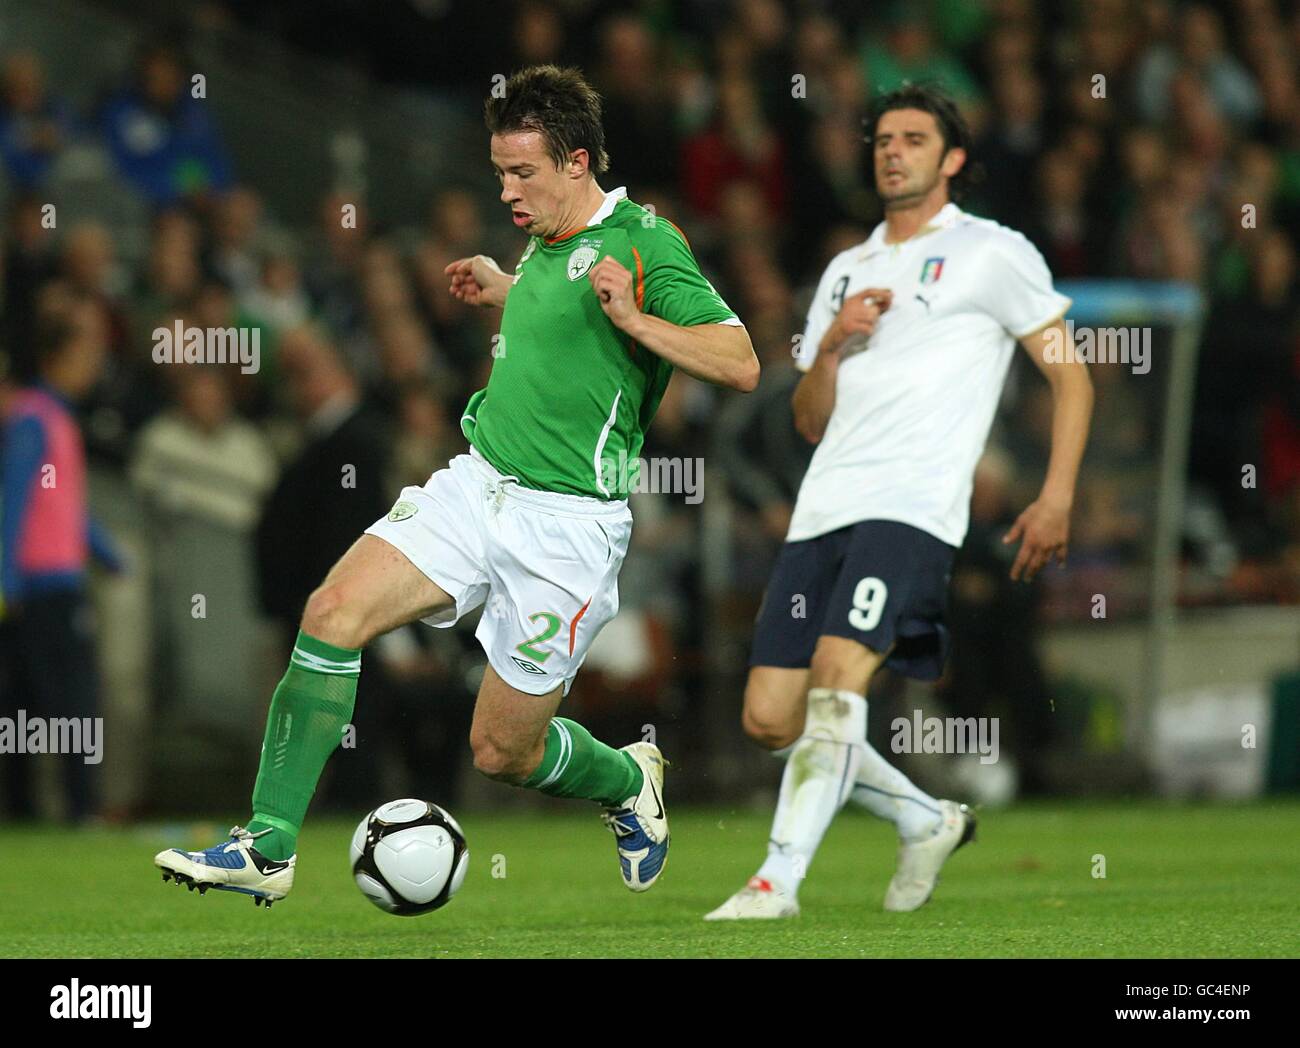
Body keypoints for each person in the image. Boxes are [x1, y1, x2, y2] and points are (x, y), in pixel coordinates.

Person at [154, 65, 758, 905]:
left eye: (524, 174)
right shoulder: (548, 237)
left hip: (568, 528)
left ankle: (626, 781)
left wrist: (636, 319)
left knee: (501, 752)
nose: (507, 192)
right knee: (332, 613)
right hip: (477, 487)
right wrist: (510, 293)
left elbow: (740, 360)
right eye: (499, 172)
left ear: (578, 163)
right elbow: (566, 322)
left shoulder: (648, 244)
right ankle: (269, 842)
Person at [706, 84, 1093, 920]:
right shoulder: (846, 269)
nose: (892, 150)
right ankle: (927, 818)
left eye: (914, 138)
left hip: (913, 507)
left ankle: (776, 880)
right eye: (883, 138)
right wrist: (834, 345)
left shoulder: (995, 251)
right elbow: (810, 421)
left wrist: (1056, 494)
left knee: (841, 678)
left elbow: (1070, 372)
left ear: (951, 158)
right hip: (823, 507)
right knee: (771, 718)